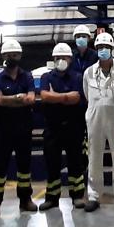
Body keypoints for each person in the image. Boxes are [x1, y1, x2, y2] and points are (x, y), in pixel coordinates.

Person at [82, 33, 114, 212]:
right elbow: (88, 96)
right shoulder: (88, 72)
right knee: (94, 156)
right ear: (96, 50)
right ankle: (94, 194)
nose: (103, 51)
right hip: (95, 118)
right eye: (100, 48)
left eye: (106, 48)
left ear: (112, 49)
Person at [0, 39, 37, 217]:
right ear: (3, 56)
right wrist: (18, 98)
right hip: (3, 130)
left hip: (24, 129)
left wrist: (10, 100)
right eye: (8, 55)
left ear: (20, 56)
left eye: (15, 54)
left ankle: (25, 200)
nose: (12, 58)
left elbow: (31, 98)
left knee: (24, 168)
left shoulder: (27, 76)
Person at [38, 42, 88, 210]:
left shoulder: (78, 77)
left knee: (76, 163)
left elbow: (77, 98)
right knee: (52, 165)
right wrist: (65, 97)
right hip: (52, 127)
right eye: (58, 57)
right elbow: (44, 96)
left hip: (74, 127)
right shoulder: (46, 77)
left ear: (70, 59)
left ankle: (78, 196)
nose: (61, 60)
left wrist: (55, 96)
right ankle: (52, 198)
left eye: (64, 57)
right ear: (53, 59)